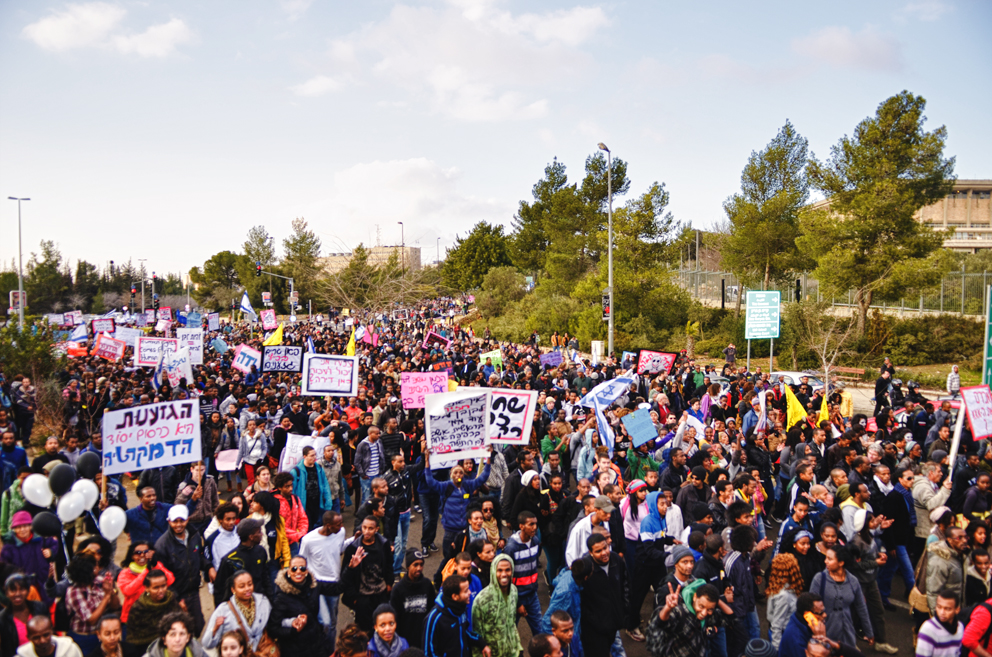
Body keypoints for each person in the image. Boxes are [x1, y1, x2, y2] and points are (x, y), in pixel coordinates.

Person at [267, 556, 341, 657]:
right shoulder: (281, 598)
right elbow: (273, 629)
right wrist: (294, 630)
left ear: (306, 572)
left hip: (316, 645)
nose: (298, 571)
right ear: (288, 572)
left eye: (302, 568)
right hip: (295, 650)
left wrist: (350, 568)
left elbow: (337, 588)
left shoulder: (313, 586)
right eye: (294, 569)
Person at [154, 505, 206, 635]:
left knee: (198, 627)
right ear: (169, 521)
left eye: (181, 520)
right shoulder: (162, 545)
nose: (178, 525)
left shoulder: (195, 536)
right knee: (179, 631)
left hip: (193, 592)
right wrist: (176, 599)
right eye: (175, 521)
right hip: (175, 595)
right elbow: (162, 578)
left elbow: (200, 556)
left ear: (188, 519)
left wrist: (209, 567)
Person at [809, 546, 874, 649]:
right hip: (824, 635)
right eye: (826, 558)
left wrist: (869, 632)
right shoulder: (819, 579)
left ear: (841, 563)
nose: (826, 561)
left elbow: (861, 607)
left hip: (847, 634)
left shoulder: (853, 581)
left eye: (830, 559)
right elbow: (810, 608)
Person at [299, 511, 347, 645]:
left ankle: (329, 650)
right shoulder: (308, 540)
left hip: (334, 585)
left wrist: (354, 539)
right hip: (316, 585)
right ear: (328, 525)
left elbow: (340, 549)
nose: (342, 526)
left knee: (331, 623)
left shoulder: (340, 532)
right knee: (324, 621)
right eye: (338, 524)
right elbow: (302, 561)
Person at [646, 580, 727, 657]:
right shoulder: (681, 612)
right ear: (695, 597)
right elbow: (661, 623)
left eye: (709, 609)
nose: (704, 613)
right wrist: (667, 608)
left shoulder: (706, 615)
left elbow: (731, 617)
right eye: (701, 606)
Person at [342, 516, 394, 633]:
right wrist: (355, 598)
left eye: (370, 528)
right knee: (364, 631)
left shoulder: (383, 545)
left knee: (382, 628)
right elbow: (346, 574)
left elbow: (389, 565)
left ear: (376, 529)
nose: (366, 531)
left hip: (381, 593)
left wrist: (389, 584)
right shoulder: (353, 548)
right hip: (362, 597)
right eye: (364, 527)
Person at [579, 533, 627, 657]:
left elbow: (625, 585)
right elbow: (582, 601)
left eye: (605, 548)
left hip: (614, 624)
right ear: (590, 552)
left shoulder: (616, 560)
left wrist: (624, 611)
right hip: (594, 630)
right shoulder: (586, 569)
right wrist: (595, 622)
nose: (604, 553)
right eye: (598, 551)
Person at [64, 554, 122, 655]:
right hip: (84, 638)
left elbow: (115, 606)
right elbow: (91, 620)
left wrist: (112, 591)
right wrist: (106, 597)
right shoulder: (74, 592)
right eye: (95, 566)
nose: (98, 568)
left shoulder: (99, 581)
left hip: (101, 635)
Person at [201, 570, 272, 653]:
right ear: (233, 590)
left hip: (262, 652)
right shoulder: (223, 610)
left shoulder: (263, 602)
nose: (247, 589)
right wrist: (215, 629)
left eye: (250, 584)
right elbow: (206, 644)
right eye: (242, 586)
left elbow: (273, 625)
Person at [423, 575, 491, 657]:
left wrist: (481, 643)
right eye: (466, 591)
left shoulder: (461, 610)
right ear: (455, 596)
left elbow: (464, 633)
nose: (470, 592)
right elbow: (429, 652)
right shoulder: (434, 618)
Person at [2, 511, 58, 604]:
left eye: (25, 526)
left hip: (42, 580)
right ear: (14, 529)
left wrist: (51, 551)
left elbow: (54, 544)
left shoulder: (41, 538)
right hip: (22, 585)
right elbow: (4, 568)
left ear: (31, 526)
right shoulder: (9, 547)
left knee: (47, 605)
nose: (22, 529)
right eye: (18, 527)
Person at [472, 554, 521, 657]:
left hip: (513, 652)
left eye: (507, 570)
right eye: (499, 570)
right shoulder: (482, 600)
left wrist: (518, 647)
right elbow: (476, 634)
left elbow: (512, 623)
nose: (504, 574)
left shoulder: (514, 591)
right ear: (494, 571)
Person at [213, 519, 271, 606]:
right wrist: (221, 612)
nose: (261, 534)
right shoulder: (230, 559)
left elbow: (266, 578)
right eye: (259, 532)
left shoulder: (261, 551)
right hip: (240, 606)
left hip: (260, 603)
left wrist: (270, 600)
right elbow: (219, 589)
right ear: (251, 537)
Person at [124, 569, 180, 657]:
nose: (161, 590)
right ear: (147, 588)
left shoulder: (171, 601)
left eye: (163, 586)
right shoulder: (138, 608)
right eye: (156, 587)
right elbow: (133, 639)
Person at [503, 511, 543, 635]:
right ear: (521, 526)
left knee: (540, 632)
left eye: (535, 524)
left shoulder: (535, 541)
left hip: (532, 595)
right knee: (510, 633)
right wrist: (518, 603)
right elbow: (506, 578)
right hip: (515, 598)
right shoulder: (511, 548)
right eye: (531, 524)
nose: (535, 527)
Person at [390, 549, 435, 649]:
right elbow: (394, 617)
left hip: (424, 638)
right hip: (405, 641)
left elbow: (432, 611)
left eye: (421, 564)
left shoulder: (427, 585)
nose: (419, 568)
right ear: (408, 566)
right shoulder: (398, 590)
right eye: (415, 565)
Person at [0, 574, 48, 657]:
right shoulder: (3, 618)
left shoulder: (40, 608)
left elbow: (50, 633)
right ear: (7, 593)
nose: (17, 594)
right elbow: (5, 649)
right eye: (13, 590)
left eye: (22, 589)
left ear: (28, 591)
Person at [926, 526, 968, 614]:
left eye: (965, 537)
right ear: (949, 540)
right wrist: (938, 617)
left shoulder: (962, 556)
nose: (964, 540)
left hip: (956, 610)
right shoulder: (939, 562)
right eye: (959, 538)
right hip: (946, 613)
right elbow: (933, 592)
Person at [292, 446, 335, 531]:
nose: (314, 457)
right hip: (304, 506)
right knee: (307, 529)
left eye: (315, 455)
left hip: (318, 504)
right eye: (311, 455)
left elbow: (325, 486)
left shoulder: (319, 468)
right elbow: (292, 491)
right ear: (304, 456)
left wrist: (328, 504)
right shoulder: (296, 471)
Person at [766, 554, 804, 649]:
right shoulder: (784, 596)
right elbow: (777, 625)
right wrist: (778, 649)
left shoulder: (777, 586)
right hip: (784, 636)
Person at [174, 461, 219, 536]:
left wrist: (217, 515)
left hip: (207, 519)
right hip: (193, 522)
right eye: (197, 470)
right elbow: (177, 505)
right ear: (191, 469)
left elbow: (215, 500)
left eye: (202, 470)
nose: (199, 473)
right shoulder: (184, 485)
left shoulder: (210, 481)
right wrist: (183, 495)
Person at [917, 588, 962, 657]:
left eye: (947, 609)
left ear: (957, 610)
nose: (942, 612)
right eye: (939, 607)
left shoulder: (960, 627)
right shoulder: (928, 630)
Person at [142, 612, 207, 657]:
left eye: (182, 634)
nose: (177, 639)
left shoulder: (199, 653)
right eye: (172, 634)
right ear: (164, 639)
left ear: (188, 637)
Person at [16, 616, 82, 657]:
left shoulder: (70, 650)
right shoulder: (22, 655)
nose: (42, 641)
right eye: (36, 637)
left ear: (52, 632)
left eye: (46, 635)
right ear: (29, 637)